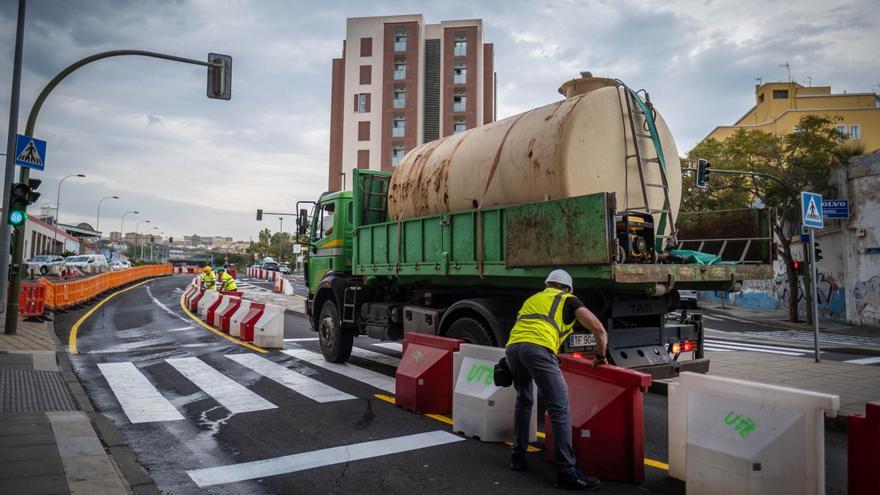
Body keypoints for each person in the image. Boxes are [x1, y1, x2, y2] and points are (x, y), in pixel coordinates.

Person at [505, 269, 608, 490]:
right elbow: (598, 329)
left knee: (524, 400)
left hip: (512, 350)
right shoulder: (568, 300)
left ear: (548, 284)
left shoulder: (532, 299)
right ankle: (567, 471)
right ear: (567, 288)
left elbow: (522, 330)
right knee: (559, 408)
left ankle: (518, 457)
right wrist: (600, 356)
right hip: (538, 350)